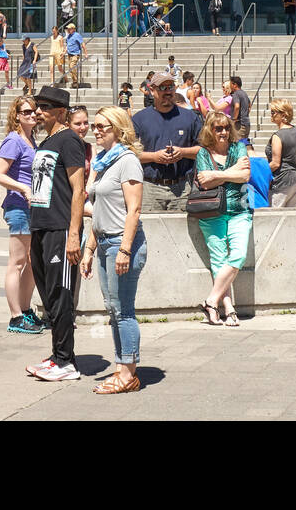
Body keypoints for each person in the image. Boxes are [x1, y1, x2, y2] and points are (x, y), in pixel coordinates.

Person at [81, 106, 147, 394]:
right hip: (105, 241)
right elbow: (98, 211)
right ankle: (121, 368)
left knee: (124, 311)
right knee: (113, 309)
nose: (96, 131)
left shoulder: (127, 161)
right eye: (95, 126)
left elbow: (133, 211)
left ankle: (129, 372)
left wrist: (124, 250)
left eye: (102, 127)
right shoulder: (103, 161)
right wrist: (88, 249)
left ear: (119, 130)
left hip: (123, 242)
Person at [25, 86, 88, 382]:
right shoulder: (46, 141)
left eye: (45, 107)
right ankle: (57, 355)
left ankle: (66, 362)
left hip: (61, 229)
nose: (39, 111)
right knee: (49, 295)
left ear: (61, 111)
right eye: (38, 105)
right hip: (41, 227)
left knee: (61, 296)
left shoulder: (69, 141)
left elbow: (78, 190)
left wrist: (73, 234)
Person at [193, 112, 252, 326]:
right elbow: (203, 182)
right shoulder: (202, 153)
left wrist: (216, 175)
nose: (224, 132)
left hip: (240, 209)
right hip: (211, 212)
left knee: (237, 256)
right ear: (210, 129)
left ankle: (211, 300)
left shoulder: (238, 148)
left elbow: (245, 176)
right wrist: (232, 171)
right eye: (218, 128)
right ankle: (228, 309)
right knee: (218, 261)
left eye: (226, 127)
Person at [0, 96, 45, 335]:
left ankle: (25, 309)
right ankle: (15, 315)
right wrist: (22, 188)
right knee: (17, 262)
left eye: (34, 111)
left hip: (33, 206)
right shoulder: (13, 140)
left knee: (33, 261)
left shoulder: (31, 139)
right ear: (16, 115)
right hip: (18, 206)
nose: (32, 115)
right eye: (26, 112)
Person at [132, 69, 203, 212]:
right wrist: (154, 157)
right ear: (152, 90)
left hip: (182, 188)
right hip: (150, 188)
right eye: (162, 87)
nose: (167, 91)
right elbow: (128, 153)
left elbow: (204, 150)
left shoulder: (190, 118)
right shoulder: (139, 119)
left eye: (170, 86)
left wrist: (182, 152)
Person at [266, 98, 296, 208]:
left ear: (283, 114)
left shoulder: (278, 136)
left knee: (274, 216)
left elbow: (275, 163)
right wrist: (290, 156)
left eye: (273, 112)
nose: (271, 115)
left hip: (281, 180)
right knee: (289, 218)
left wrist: (260, 171)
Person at [228, 74, 252, 145]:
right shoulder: (244, 93)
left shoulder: (236, 94)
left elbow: (237, 106)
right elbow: (249, 105)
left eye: (230, 84)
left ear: (234, 85)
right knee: (244, 145)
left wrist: (234, 119)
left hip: (239, 125)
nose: (230, 86)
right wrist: (245, 114)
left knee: (238, 145)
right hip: (246, 123)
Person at [63, 22, 86, 88]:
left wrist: (86, 53)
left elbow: (83, 44)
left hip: (75, 54)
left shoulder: (77, 35)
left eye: (69, 29)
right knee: (70, 68)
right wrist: (64, 52)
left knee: (72, 66)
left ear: (73, 29)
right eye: (67, 29)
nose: (67, 30)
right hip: (69, 54)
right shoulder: (68, 36)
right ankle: (74, 81)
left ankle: (75, 81)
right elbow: (67, 45)